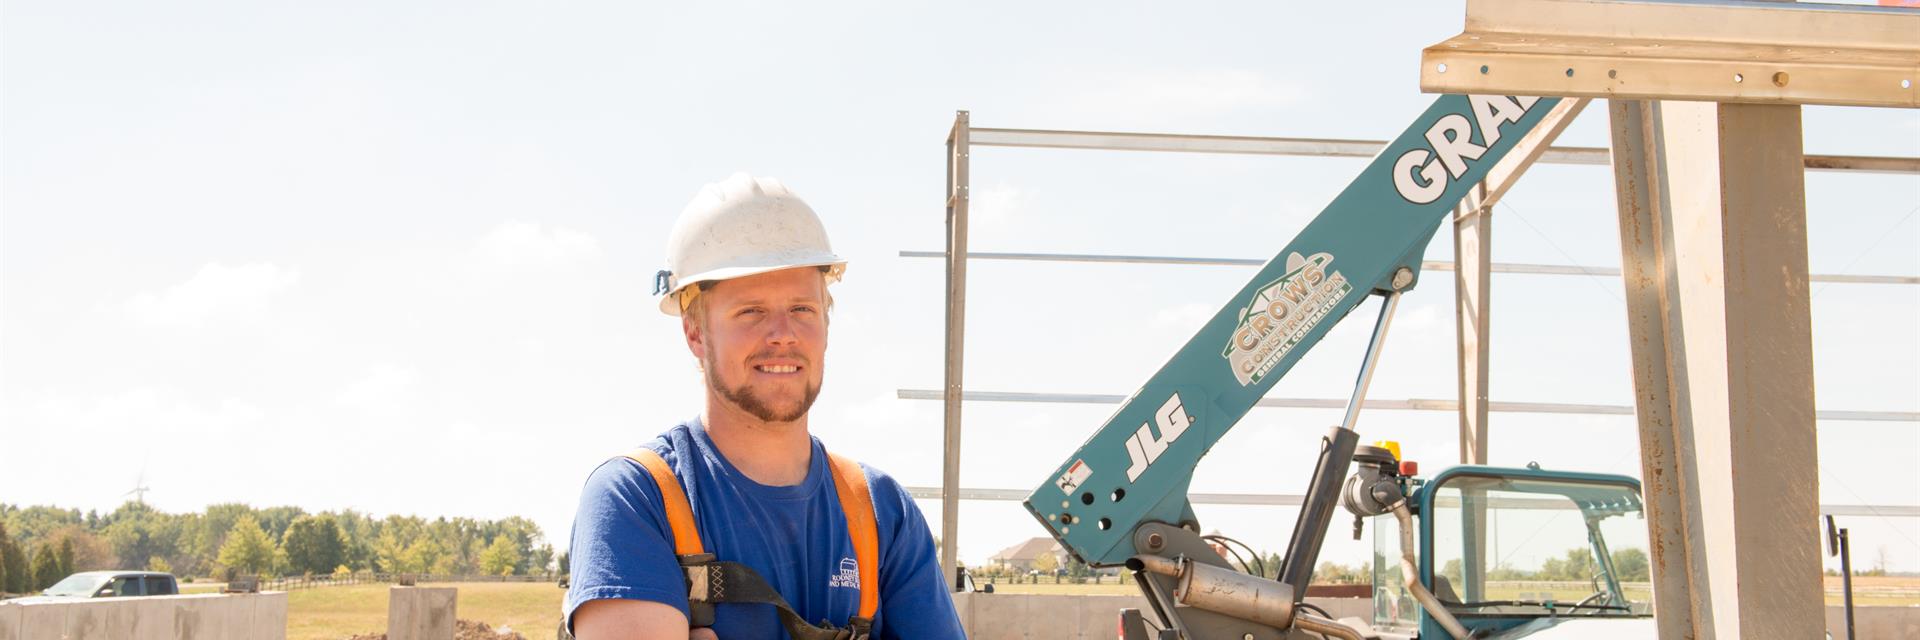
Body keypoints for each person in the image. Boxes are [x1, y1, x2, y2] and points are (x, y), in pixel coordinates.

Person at [564, 173, 965, 639]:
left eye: (802, 310)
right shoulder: (637, 498)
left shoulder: (881, 512)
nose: (783, 334)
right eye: (750, 311)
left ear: (827, 327)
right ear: (695, 333)